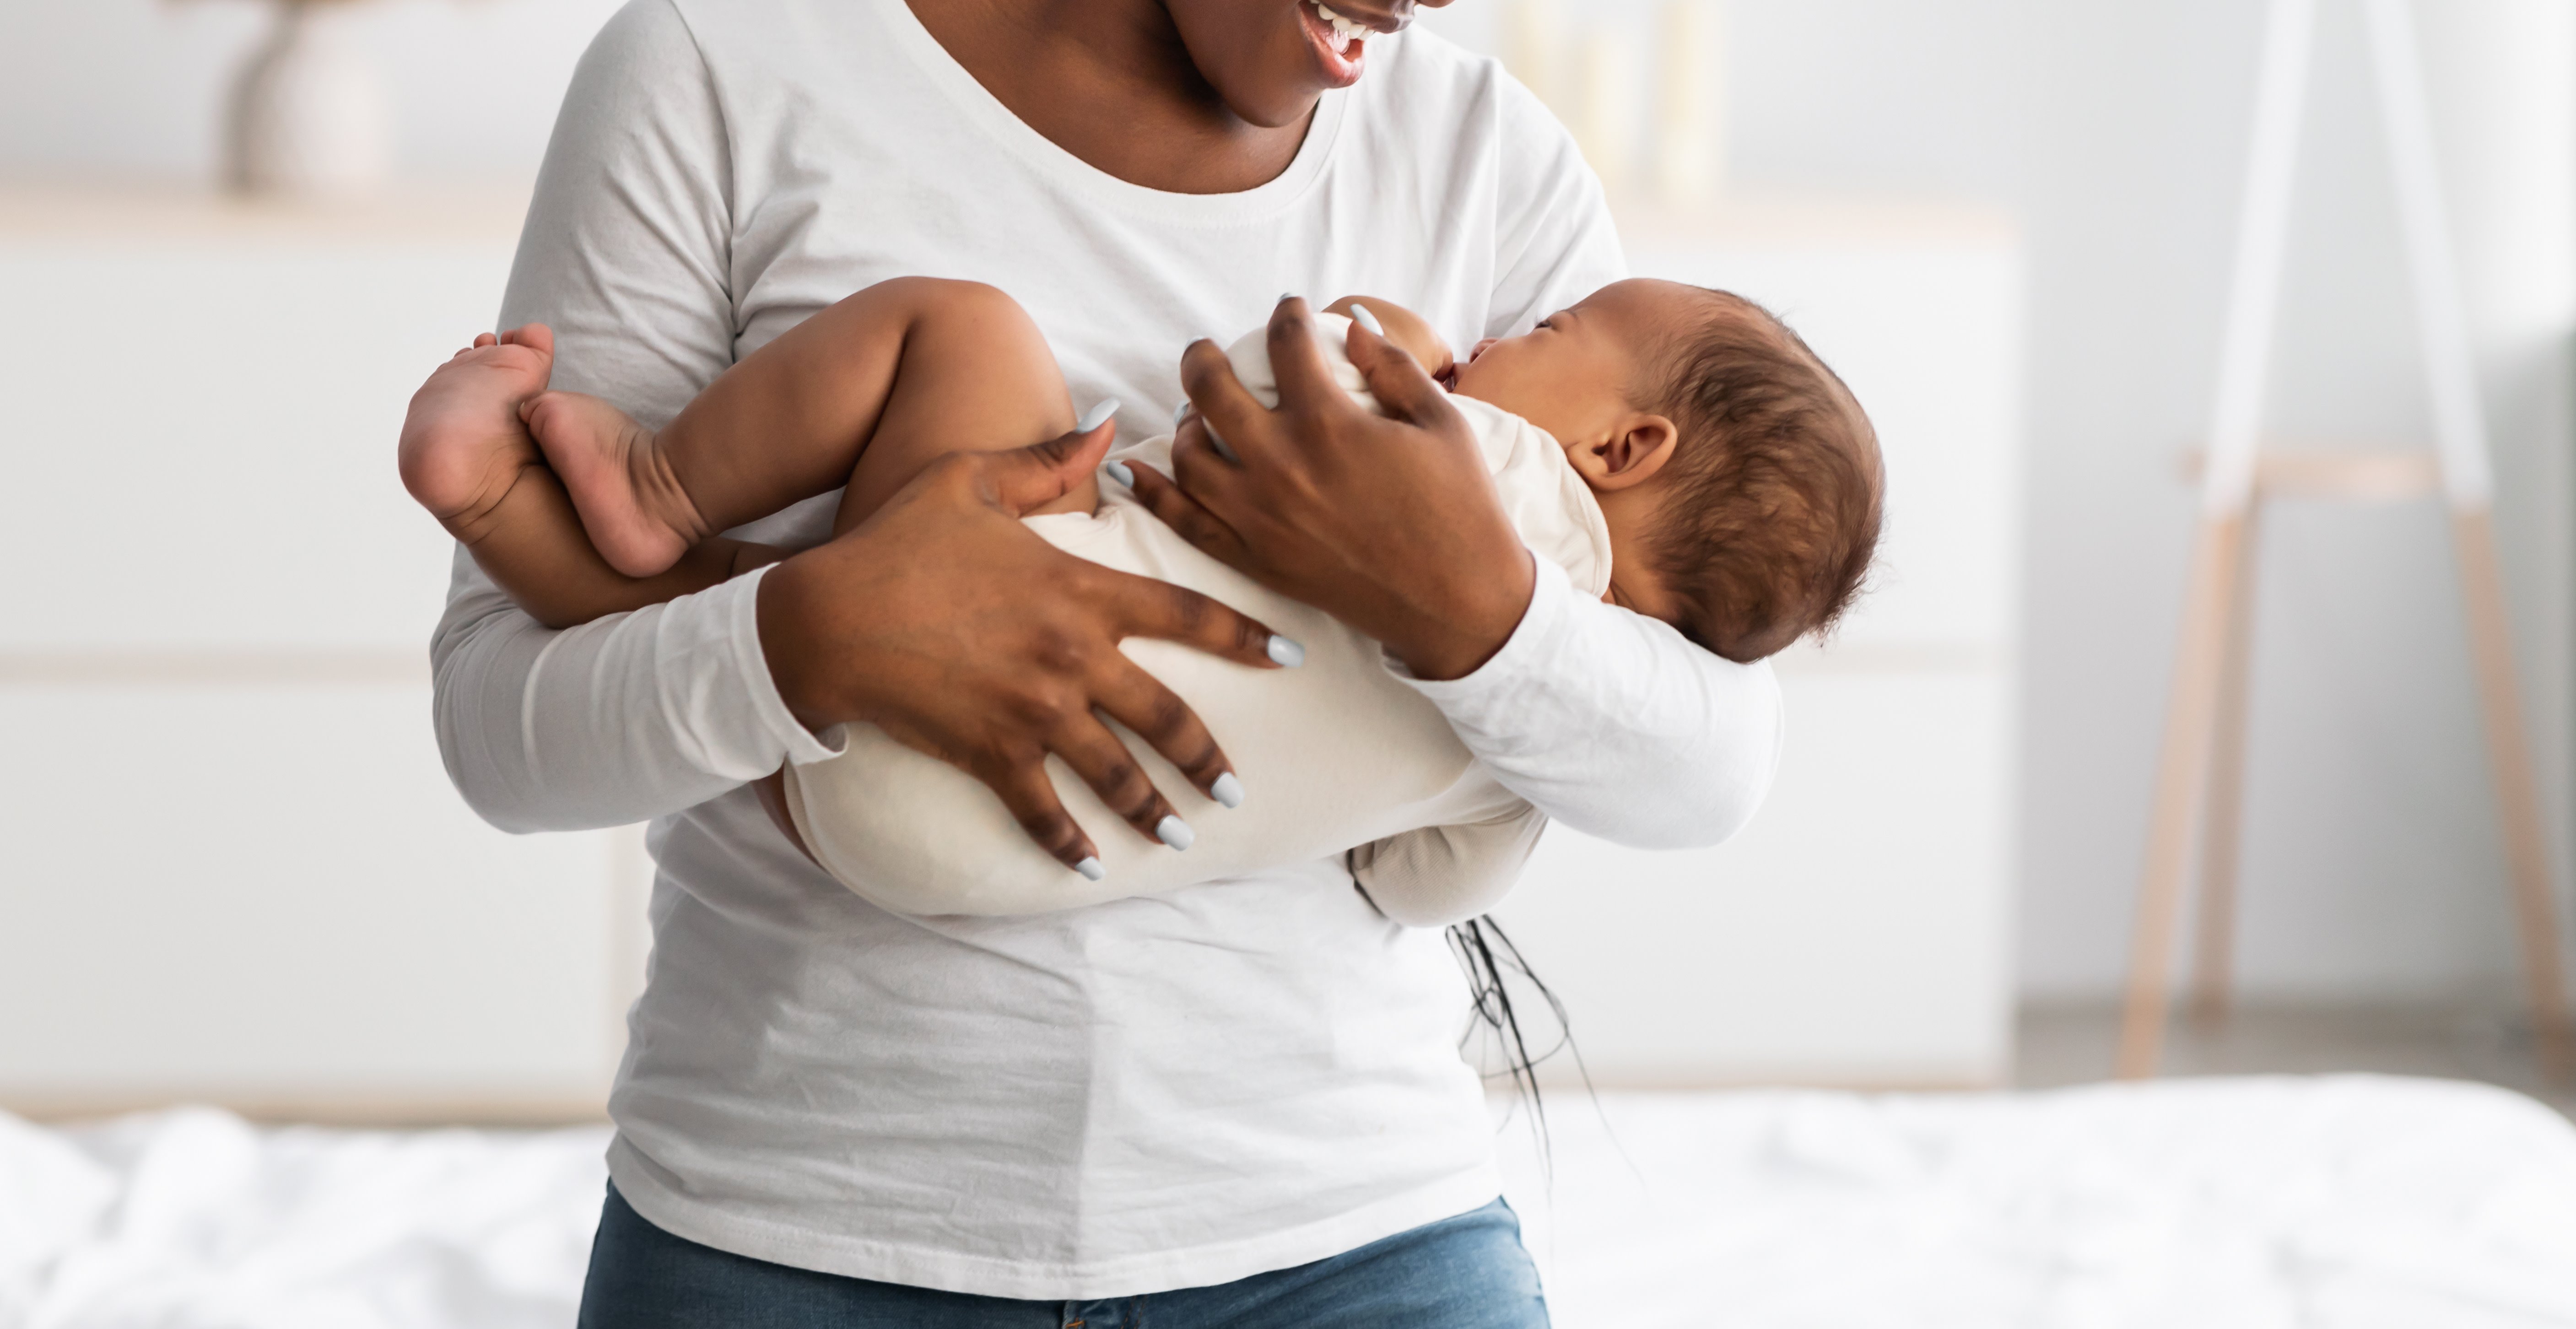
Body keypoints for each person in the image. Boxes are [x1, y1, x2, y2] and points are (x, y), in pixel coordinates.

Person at [425, 0, 1789, 1319]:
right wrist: (809, 634)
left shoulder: (1487, 169)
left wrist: (1474, 615)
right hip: (798, 1236)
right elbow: (499, 730)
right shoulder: (728, 70)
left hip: (1354, 1236)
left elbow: (1710, 762)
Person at [403, 278, 1882, 924]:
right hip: (955, 866)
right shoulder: (1529, 759)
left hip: (882, 730)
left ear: (1623, 447)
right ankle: (499, 500)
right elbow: (1416, 890)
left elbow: (1240, 394)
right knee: (816, 606)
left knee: (963, 335)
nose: (1505, 329)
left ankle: (650, 488)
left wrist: (1379, 333)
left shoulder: (1475, 453)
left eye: (1550, 328)